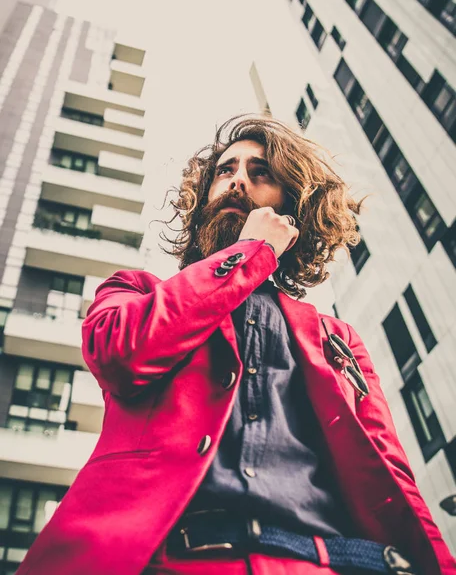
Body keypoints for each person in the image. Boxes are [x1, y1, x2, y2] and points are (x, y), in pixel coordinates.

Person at [17, 116, 455, 575]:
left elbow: (390, 470)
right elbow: (118, 354)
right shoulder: (135, 290)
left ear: (291, 207)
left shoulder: (338, 339)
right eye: (225, 171)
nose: (237, 181)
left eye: (260, 173)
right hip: (157, 560)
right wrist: (250, 252)